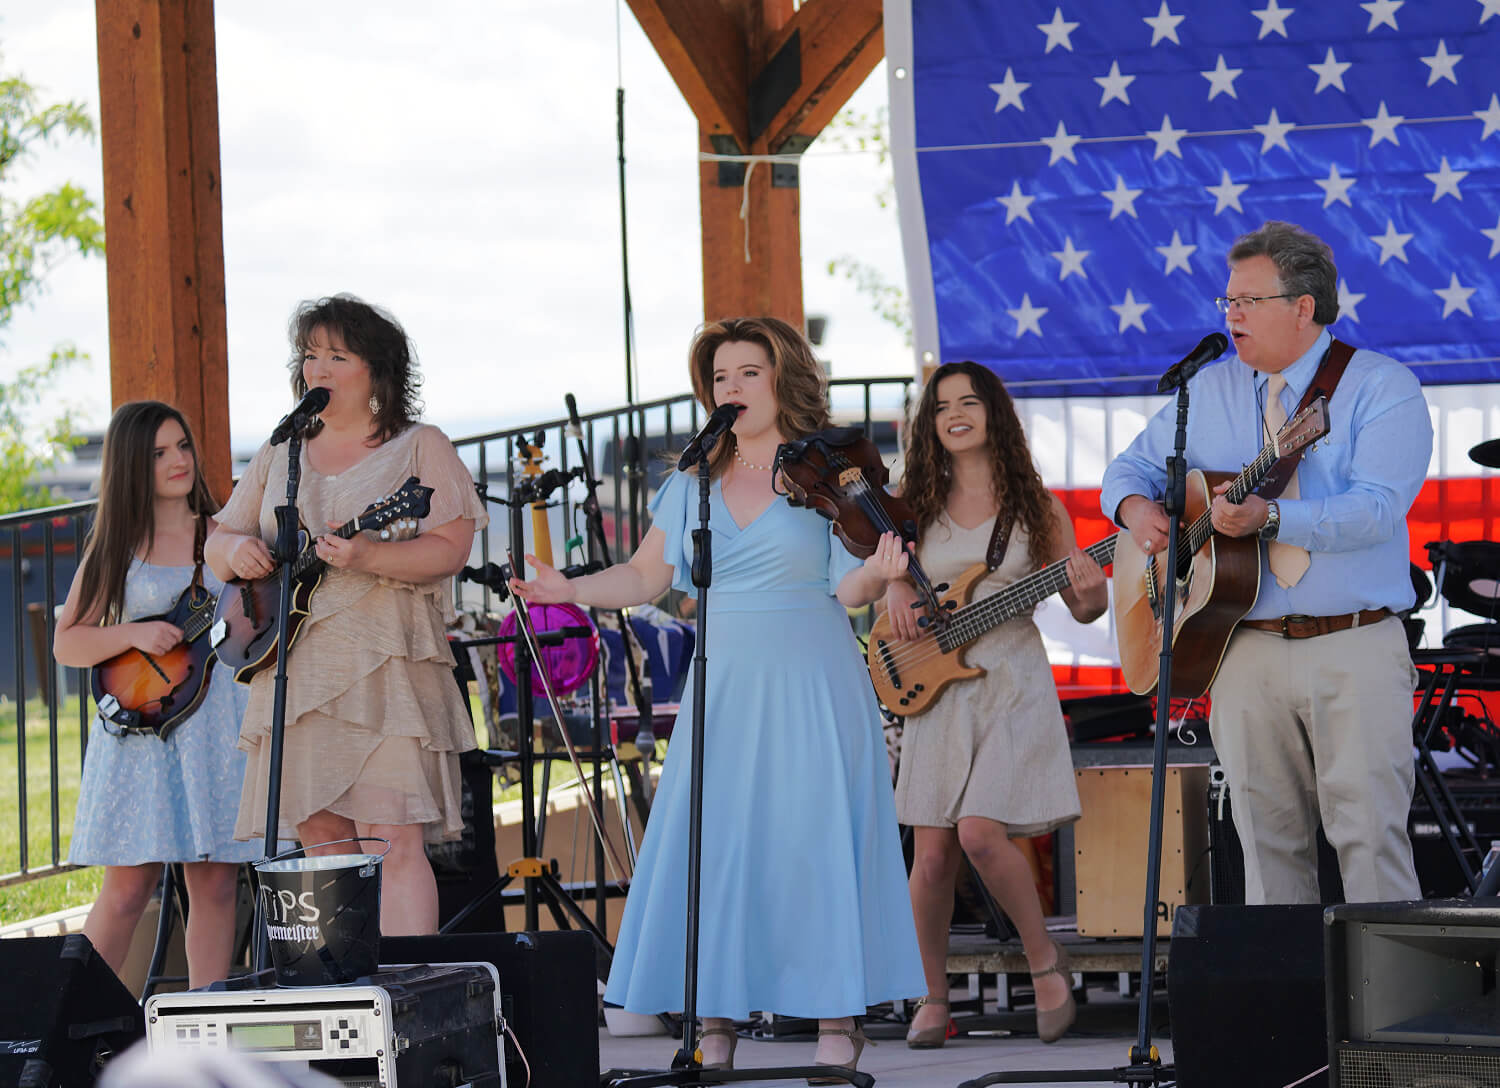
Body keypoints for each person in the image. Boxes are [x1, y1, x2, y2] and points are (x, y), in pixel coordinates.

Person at [510, 316, 923, 1080]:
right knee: (722, 844)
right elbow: (644, 578)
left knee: (812, 840)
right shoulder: (690, 485)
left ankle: (837, 1018)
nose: (731, 389)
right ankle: (717, 1019)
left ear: (782, 380)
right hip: (725, 682)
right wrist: (565, 587)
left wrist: (883, 569)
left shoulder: (830, 471)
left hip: (810, 674)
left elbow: (849, 581)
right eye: (721, 378)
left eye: (748, 374)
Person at [1100, 220, 1430, 905]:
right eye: (1228, 303)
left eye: (1247, 301)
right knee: (1266, 845)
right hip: (1242, 645)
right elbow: (1126, 470)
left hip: (1354, 640)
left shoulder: (1379, 387)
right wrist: (1139, 512)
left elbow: (1377, 509)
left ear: (1303, 307)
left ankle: (1383, 1012)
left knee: (1370, 838)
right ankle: (1289, 1013)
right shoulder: (1211, 389)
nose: (1232, 316)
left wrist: (1273, 517)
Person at [206, 294, 485, 936]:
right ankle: (348, 997)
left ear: (377, 369)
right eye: (310, 356)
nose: (319, 368)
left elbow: (451, 547)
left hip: (385, 661)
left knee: (392, 841)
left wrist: (368, 554)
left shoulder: (420, 446)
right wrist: (236, 550)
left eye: (337, 355)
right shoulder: (283, 451)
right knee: (324, 847)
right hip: (295, 672)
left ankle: (407, 997)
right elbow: (217, 541)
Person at [884, 362, 1107, 1047]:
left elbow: (1086, 604)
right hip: (935, 686)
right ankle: (931, 997)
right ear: (929, 423)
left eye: (969, 402)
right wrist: (894, 589)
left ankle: (1044, 960)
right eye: (942, 404)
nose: (955, 413)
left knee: (981, 832)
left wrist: (1091, 583)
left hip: (1010, 678)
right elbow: (873, 577)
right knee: (931, 857)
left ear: (994, 416)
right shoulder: (908, 504)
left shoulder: (1035, 508)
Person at [55, 400, 261, 989]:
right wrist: (135, 632)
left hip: (217, 724)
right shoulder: (116, 545)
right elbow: (67, 645)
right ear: (129, 466)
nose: (178, 461)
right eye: (159, 453)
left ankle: (205, 1028)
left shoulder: (223, 535)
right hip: (143, 733)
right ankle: (64, 1030)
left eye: (183, 447)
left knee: (217, 883)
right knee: (126, 890)